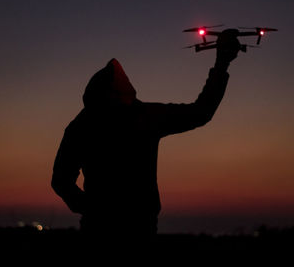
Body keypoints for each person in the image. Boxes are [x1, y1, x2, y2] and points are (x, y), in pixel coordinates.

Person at [52, 30, 240, 243]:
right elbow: (201, 112)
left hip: (106, 229)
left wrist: (91, 209)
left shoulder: (82, 126)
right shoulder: (141, 117)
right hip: (132, 229)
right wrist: (222, 64)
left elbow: (60, 181)